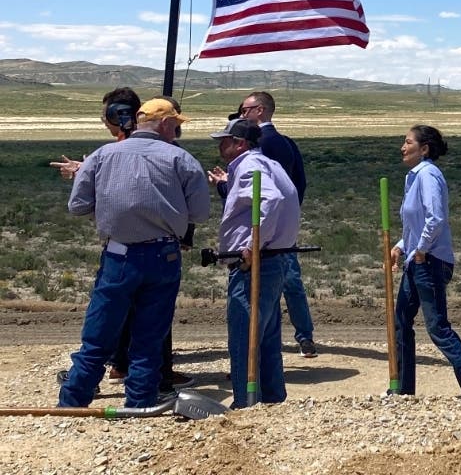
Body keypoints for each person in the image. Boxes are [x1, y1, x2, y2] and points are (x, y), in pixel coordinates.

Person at [57, 99, 210, 408]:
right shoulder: (182, 159)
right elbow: (201, 213)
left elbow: (77, 206)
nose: (178, 129)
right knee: (149, 335)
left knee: (98, 334)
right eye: (176, 124)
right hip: (164, 256)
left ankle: (73, 403)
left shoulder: (102, 155)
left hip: (119, 256)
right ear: (166, 124)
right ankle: (139, 403)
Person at [390, 125, 461, 398]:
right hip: (417, 260)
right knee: (400, 320)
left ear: (424, 149)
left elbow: (435, 218)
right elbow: (416, 221)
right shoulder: (413, 177)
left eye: (408, 142)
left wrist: (422, 249)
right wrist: (402, 246)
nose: (403, 147)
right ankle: (402, 388)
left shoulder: (429, 176)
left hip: (430, 261)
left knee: (437, 327)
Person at [217, 91, 316, 359]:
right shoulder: (285, 141)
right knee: (284, 287)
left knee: (267, 296)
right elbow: (297, 185)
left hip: (265, 236)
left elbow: (268, 196)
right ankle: (303, 336)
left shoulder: (264, 145)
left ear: (259, 110)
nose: (241, 113)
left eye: (245, 109)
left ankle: (252, 365)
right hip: (278, 230)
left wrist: (227, 187)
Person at [210, 117, 301, 409]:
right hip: (275, 259)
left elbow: (270, 200)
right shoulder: (268, 164)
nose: (220, 144)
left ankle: (246, 403)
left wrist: (253, 246)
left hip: (254, 264)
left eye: (225, 140)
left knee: (244, 337)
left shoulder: (250, 166)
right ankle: (272, 399)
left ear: (239, 143)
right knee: (266, 337)